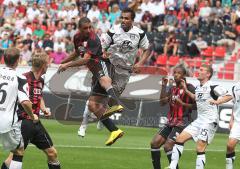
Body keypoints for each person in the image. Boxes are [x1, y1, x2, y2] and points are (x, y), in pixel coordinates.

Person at [58, 17, 123, 145]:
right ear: (79, 29)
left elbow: (86, 59)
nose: (88, 30)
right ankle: (114, 130)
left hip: (103, 65)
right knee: (92, 105)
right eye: (85, 28)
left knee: (105, 81)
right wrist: (62, 62)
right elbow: (76, 53)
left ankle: (115, 103)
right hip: (94, 70)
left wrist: (68, 65)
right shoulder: (77, 38)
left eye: (90, 27)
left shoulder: (94, 39)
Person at [2, 52, 61, 169]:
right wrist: (31, 112)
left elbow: (39, 96)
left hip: (35, 123)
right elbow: (21, 100)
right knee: (14, 156)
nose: (49, 65)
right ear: (43, 65)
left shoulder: (41, 80)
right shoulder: (24, 78)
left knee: (52, 153)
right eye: (47, 63)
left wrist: (43, 108)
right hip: (24, 122)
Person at [167, 64, 233, 169]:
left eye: (201, 70)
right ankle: (172, 166)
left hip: (209, 121)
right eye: (199, 69)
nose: (198, 71)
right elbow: (196, 97)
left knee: (200, 148)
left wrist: (217, 101)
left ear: (208, 74)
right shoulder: (198, 87)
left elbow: (229, 95)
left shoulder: (212, 86)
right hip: (200, 120)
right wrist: (186, 90)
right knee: (179, 139)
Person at [151, 65, 195, 169]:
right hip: (171, 121)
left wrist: (183, 104)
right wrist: (163, 86)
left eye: (178, 73)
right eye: (174, 72)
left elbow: (197, 106)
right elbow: (162, 103)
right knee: (154, 143)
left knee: (168, 146)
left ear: (184, 75)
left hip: (183, 122)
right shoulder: (172, 88)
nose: (175, 74)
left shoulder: (190, 88)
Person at [0, 47, 38, 169]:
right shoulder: (20, 78)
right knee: (19, 150)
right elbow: (26, 102)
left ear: (3, 59)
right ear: (17, 61)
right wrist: (32, 116)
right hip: (6, 122)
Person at [225, 83, 240, 169]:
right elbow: (235, 104)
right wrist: (231, 119)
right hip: (238, 122)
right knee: (230, 145)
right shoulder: (236, 87)